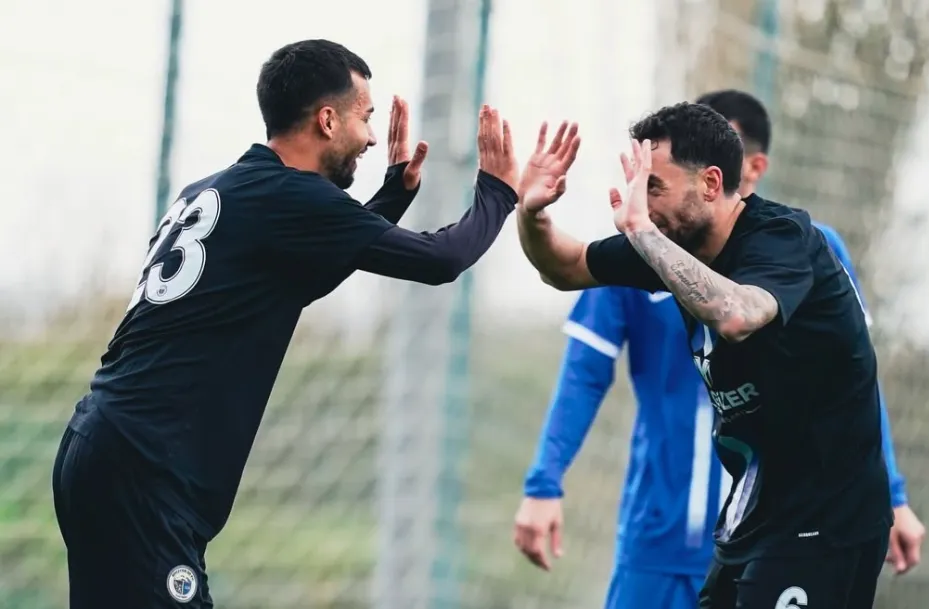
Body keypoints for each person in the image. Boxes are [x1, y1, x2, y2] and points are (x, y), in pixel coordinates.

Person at [50, 39, 576, 608]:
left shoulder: (218, 190)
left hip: (100, 446)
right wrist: (498, 191)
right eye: (365, 118)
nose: (371, 138)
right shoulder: (289, 196)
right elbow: (440, 260)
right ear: (327, 120)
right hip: (144, 472)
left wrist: (392, 194)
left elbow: (299, 281)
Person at [512, 90, 925, 608]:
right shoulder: (672, 242)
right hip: (750, 520)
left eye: (653, 186)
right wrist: (531, 212)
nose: (642, 203)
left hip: (825, 522)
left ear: (711, 183)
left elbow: (737, 315)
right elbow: (565, 267)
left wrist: (642, 231)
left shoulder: (785, 239)